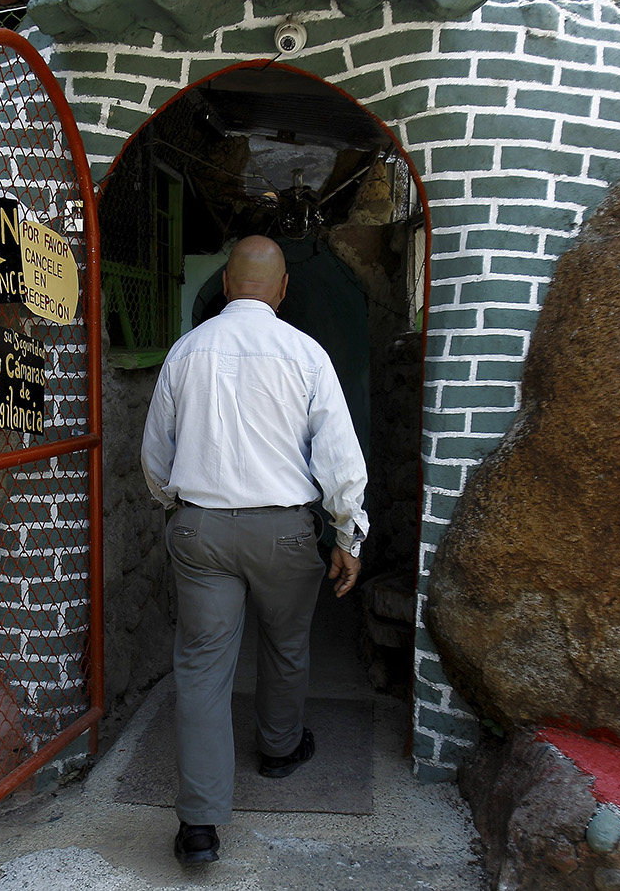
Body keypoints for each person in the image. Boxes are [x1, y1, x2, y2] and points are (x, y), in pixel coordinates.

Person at [141, 235, 369, 866]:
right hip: (284, 531)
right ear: (284, 288)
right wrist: (348, 533)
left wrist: (180, 510)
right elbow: (341, 461)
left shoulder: (186, 352)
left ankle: (199, 827)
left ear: (225, 283)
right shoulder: (306, 354)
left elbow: (156, 458)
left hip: (201, 528)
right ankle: (279, 749)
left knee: (203, 668)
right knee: (286, 644)